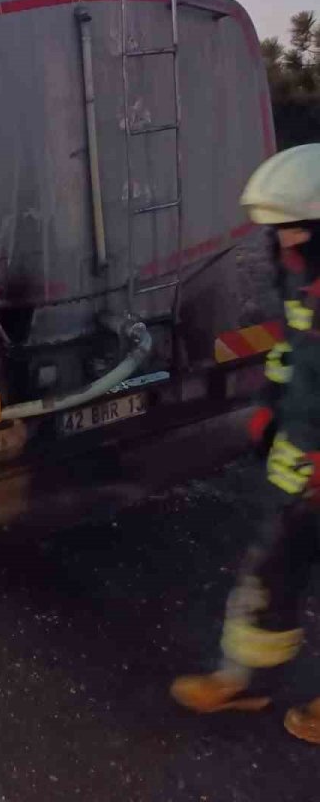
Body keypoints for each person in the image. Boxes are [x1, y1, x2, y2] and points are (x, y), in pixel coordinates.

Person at [171, 144, 320, 743]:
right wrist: (270, 409)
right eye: (277, 236)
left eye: (292, 235)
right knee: (273, 567)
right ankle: (247, 678)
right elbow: (296, 352)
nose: (281, 247)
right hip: (302, 459)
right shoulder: (301, 275)